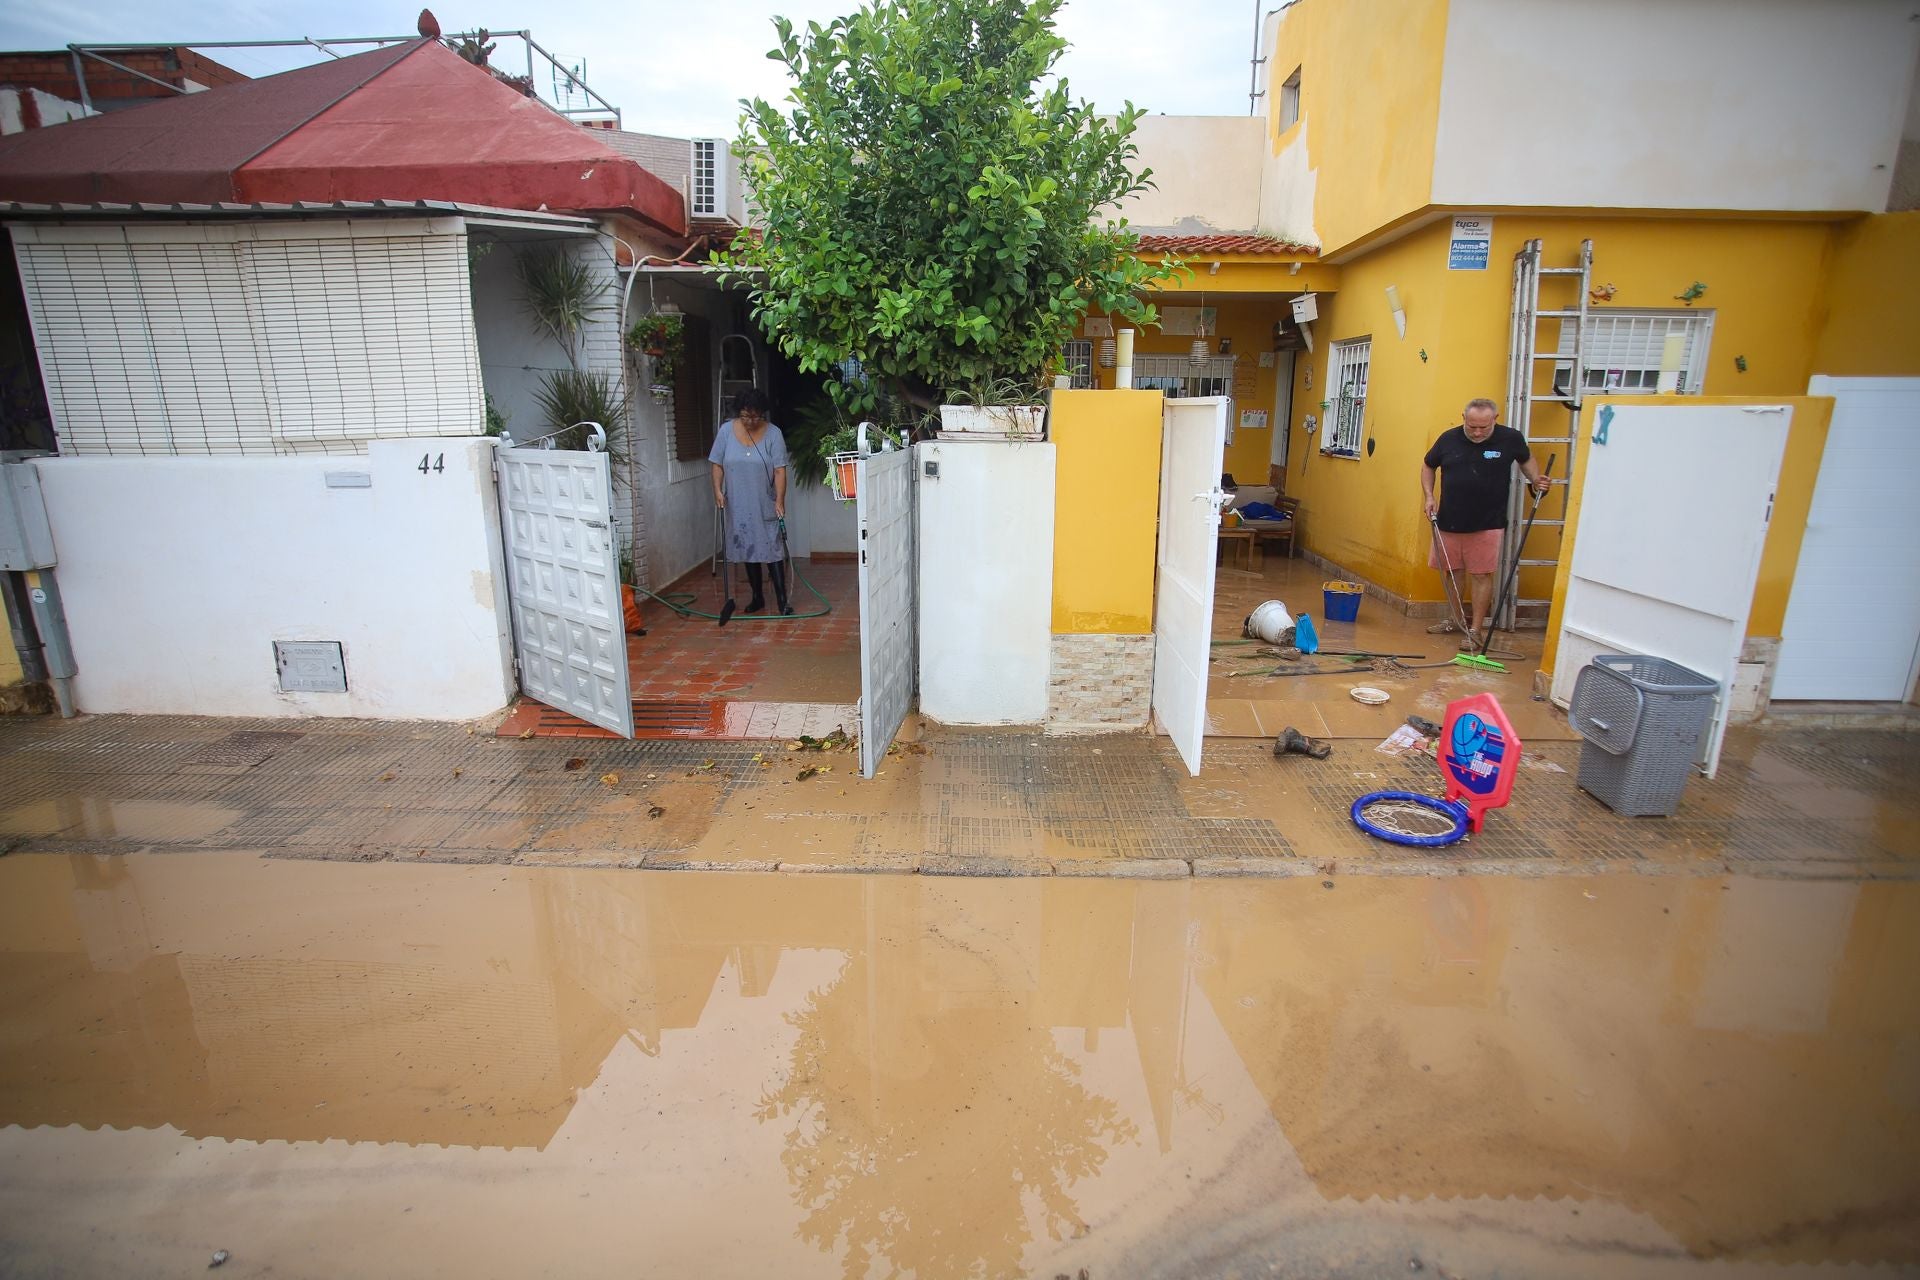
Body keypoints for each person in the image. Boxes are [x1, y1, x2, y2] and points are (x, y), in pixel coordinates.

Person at [1420, 398, 1549, 650]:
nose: (1477, 432)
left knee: (1481, 575)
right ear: (1464, 418)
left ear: (1495, 419)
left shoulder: (1510, 438)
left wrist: (1536, 480)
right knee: (1452, 572)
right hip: (1449, 518)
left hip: (1488, 521)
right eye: (1472, 427)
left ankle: (1475, 630)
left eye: (1483, 427)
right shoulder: (1448, 439)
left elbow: (1526, 460)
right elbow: (1428, 465)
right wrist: (1429, 496)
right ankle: (1455, 620)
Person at [708, 388, 791, 624]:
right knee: (748, 547)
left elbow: (779, 470)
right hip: (737, 502)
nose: (750, 421)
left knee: (772, 549)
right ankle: (757, 597)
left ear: (762, 414)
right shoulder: (726, 431)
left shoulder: (774, 434)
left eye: (755, 416)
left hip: (764, 501)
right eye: (746, 416)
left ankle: (783, 601)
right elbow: (716, 464)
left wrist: (780, 500)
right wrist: (717, 491)